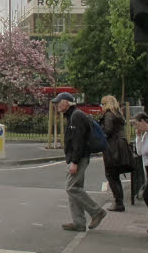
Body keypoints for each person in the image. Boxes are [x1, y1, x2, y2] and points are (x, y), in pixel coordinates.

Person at [54, 92, 106, 232]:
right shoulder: (73, 115)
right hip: (78, 157)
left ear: (66, 103)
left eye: (59, 102)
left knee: (71, 188)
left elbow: (79, 140)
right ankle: (78, 222)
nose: (56, 104)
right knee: (75, 188)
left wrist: (75, 162)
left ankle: (96, 211)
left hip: (80, 157)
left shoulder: (76, 116)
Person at [99, 95, 129, 212]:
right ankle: (119, 201)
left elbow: (107, 130)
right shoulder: (118, 114)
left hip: (112, 147)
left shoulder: (108, 115)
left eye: (102, 104)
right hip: (120, 146)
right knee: (115, 175)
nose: (101, 106)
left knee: (111, 174)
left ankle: (118, 202)